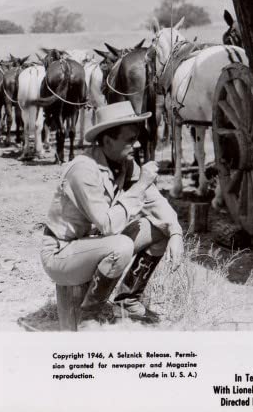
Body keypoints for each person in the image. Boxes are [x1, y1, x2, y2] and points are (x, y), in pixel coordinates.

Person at [40, 101, 184, 324]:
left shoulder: (123, 162)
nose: (136, 145)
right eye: (129, 140)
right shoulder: (83, 169)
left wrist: (175, 232)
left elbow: (156, 202)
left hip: (93, 244)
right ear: (107, 141)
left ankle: (127, 298)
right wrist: (140, 185)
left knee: (159, 227)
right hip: (62, 253)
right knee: (121, 246)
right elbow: (108, 225)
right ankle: (88, 316)